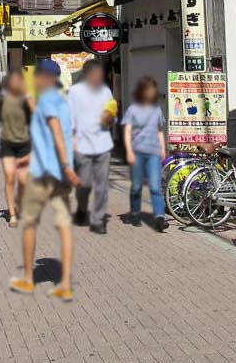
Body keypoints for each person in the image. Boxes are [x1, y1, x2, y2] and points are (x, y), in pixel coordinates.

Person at [11, 59, 82, 301]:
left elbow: (55, 132)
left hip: (45, 175)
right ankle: (64, 282)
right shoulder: (63, 101)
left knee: (30, 223)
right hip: (60, 173)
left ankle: (30, 279)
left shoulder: (47, 101)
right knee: (64, 225)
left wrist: (63, 164)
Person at [67, 59, 116, 233]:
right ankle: (81, 209)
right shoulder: (74, 92)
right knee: (85, 183)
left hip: (103, 144)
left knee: (102, 185)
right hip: (82, 145)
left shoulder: (105, 91)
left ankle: (98, 220)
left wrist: (110, 118)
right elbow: (70, 117)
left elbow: (111, 113)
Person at [121, 76, 168, 229]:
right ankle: (135, 213)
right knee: (136, 187)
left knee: (155, 186)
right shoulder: (133, 110)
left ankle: (160, 217)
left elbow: (160, 130)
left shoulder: (156, 110)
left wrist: (163, 148)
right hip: (137, 152)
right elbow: (127, 131)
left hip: (153, 152)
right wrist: (128, 151)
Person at [0, 71, 33, 225]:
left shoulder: (27, 100)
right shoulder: (0, 101)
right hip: (7, 144)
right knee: (10, 178)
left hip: (25, 144)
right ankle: (12, 214)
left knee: (22, 180)